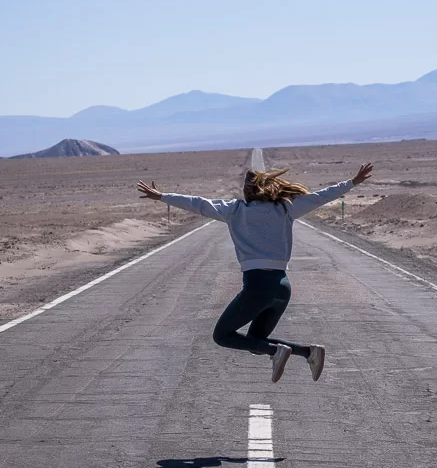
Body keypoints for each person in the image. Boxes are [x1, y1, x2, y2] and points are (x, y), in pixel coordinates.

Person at [137, 162, 373, 383]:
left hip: (258, 285)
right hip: (282, 286)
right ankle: (309, 352)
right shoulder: (285, 209)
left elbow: (197, 203)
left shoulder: (234, 210)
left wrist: (161, 197)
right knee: (254, 342)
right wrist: (352, 182)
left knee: (222, 335)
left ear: (248, 192)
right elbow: (321, 196)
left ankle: (276, 351)